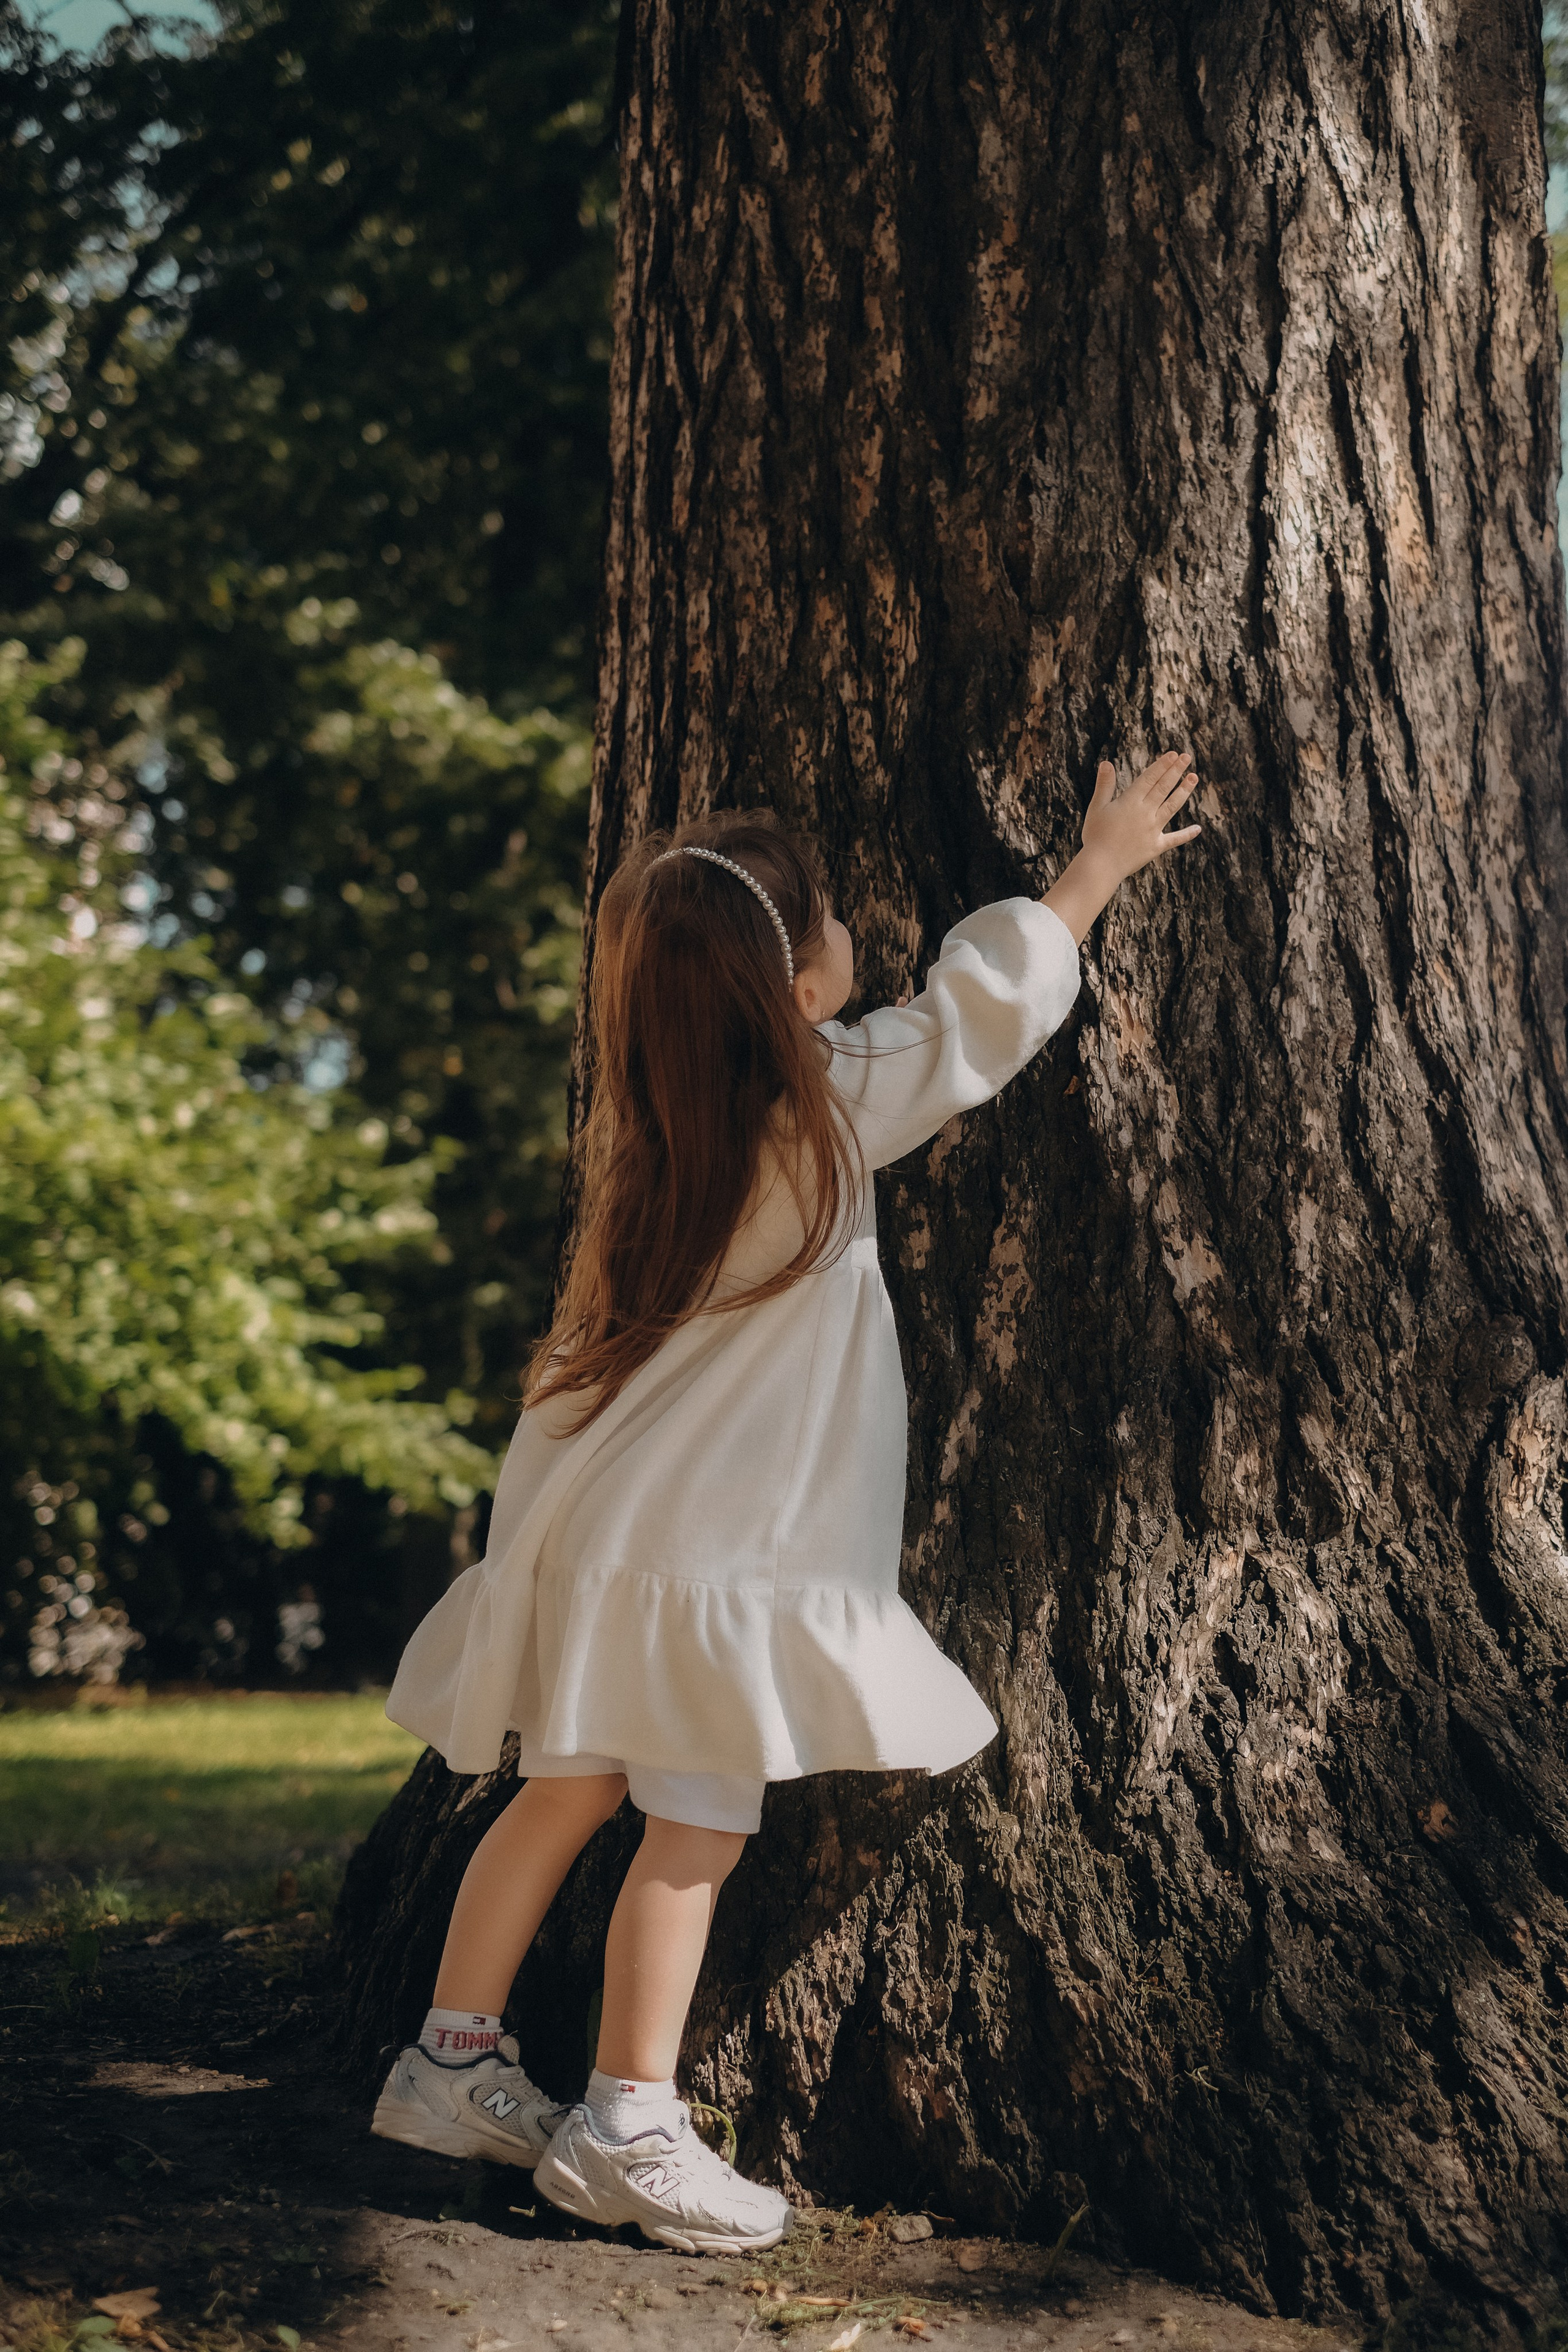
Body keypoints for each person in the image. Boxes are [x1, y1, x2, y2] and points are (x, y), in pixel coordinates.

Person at [369, 752, 1202, 2254]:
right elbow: (974, 1021)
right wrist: (1095, 868)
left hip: (594, 1548)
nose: (846, 944)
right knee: (692, 1828)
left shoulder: (646, 1146)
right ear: (796, 992)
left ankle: (449, 2060)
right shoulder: (821, 1110)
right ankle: (629, 2121)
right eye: (826, 932)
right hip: (711, 1568)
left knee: (562, 1796)